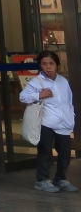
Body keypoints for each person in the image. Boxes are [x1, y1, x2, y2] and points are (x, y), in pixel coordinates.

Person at [20, 50, 76, 193]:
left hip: (64, 124)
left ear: (57, 65)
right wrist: (39, 94)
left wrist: (71, 118)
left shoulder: (63, 81)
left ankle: (60, 178)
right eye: (44, 64)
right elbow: (23, 97)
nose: (48, 67)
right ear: (40, 65)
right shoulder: (36, 82)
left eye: (51, 63)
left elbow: (69, 102)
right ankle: (42, 180)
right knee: (45, 152)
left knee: (65, 153)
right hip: (46, 123)